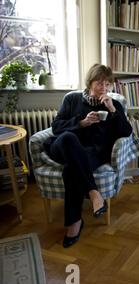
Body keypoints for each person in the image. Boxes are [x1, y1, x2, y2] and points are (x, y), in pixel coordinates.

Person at [44, 63, 132, 248]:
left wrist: (113, 110)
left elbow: (126, 131)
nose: (104, 88)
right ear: (90, 83)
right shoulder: (72, 100)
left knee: (71, 171)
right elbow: (56, 126)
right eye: (99, 83)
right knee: (68, 137)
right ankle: (94, 193)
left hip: (92, 154)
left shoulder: (113, 104)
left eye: (108, 84)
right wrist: (82, 123)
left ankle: (74, 223)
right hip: (62, 147)